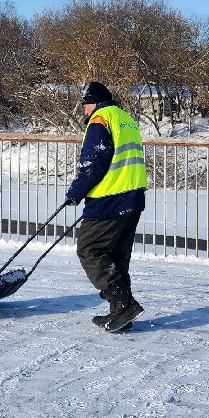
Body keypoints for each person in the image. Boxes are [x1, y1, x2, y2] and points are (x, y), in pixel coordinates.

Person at [64, 81, 148, 332]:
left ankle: (124, 306)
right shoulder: (124, 118)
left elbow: (93, 165)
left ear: (95, 102)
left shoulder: (101, 120)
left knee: (90, 249)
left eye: (85, 105)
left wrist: (75, 193)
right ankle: (121, 313)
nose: (84, 112)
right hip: (132, 197)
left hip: (109, 199)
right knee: (116, 256)